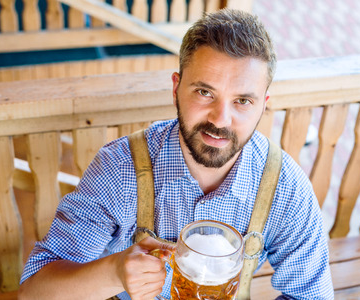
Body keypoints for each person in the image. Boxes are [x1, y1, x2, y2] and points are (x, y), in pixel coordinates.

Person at [18, 8, 333, 300]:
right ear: (176, 89)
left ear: (263, 105)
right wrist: (113, 272)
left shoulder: (285, 189)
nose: (220, 119)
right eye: (204, 92)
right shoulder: (120, 169)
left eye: (242, 101)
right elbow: (34, 291)